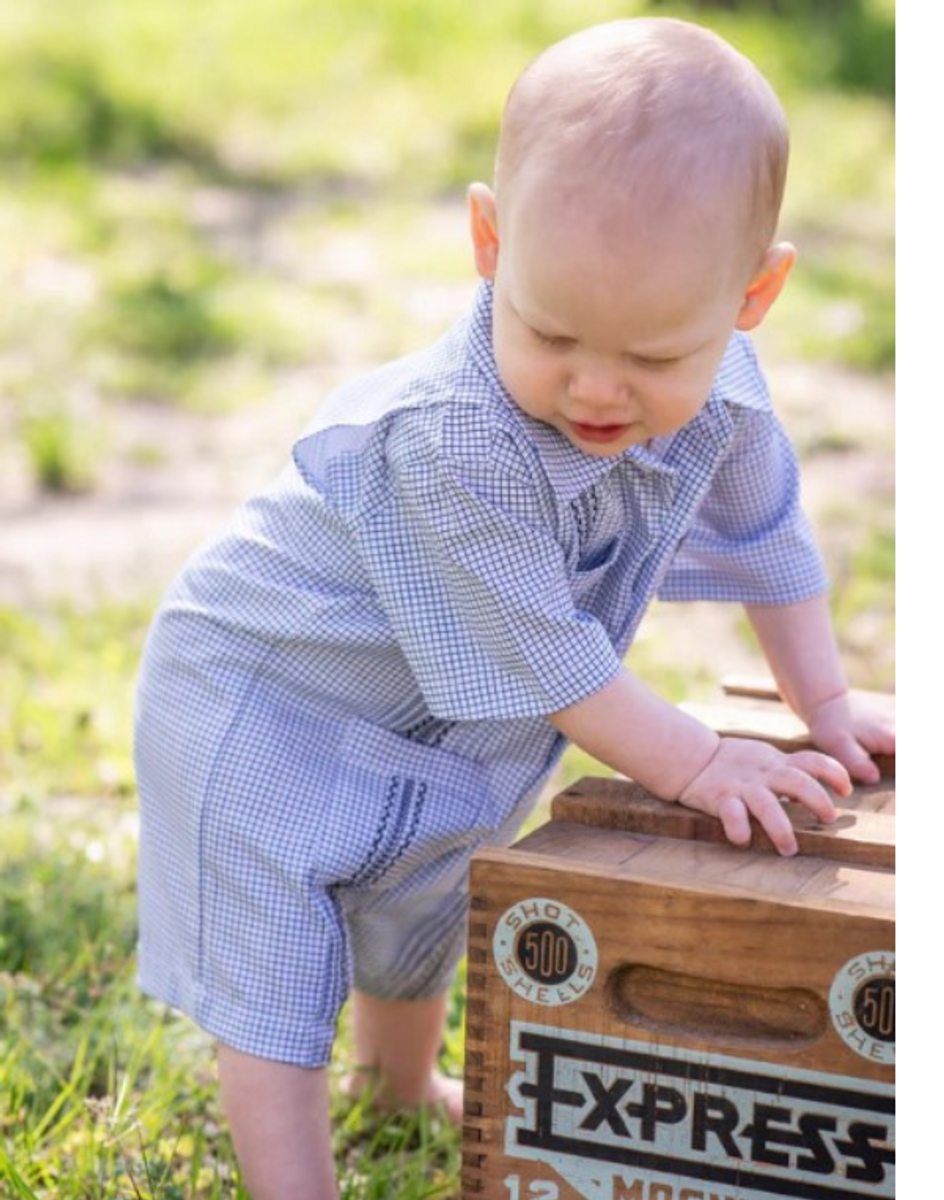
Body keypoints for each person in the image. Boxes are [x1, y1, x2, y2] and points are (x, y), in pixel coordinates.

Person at [133, 16, 895, 1199]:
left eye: (653, 355)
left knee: (432, 891)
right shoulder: (454, 445)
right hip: (260, 696)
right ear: (489, 241)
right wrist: (696, 763)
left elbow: (765, 535)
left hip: (425, 714)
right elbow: (553, 661)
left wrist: (827, 701)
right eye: (549, 334)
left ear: (753, 296)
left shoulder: (725, 389)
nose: (597, 387)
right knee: (277, 963)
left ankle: (393, 1085)